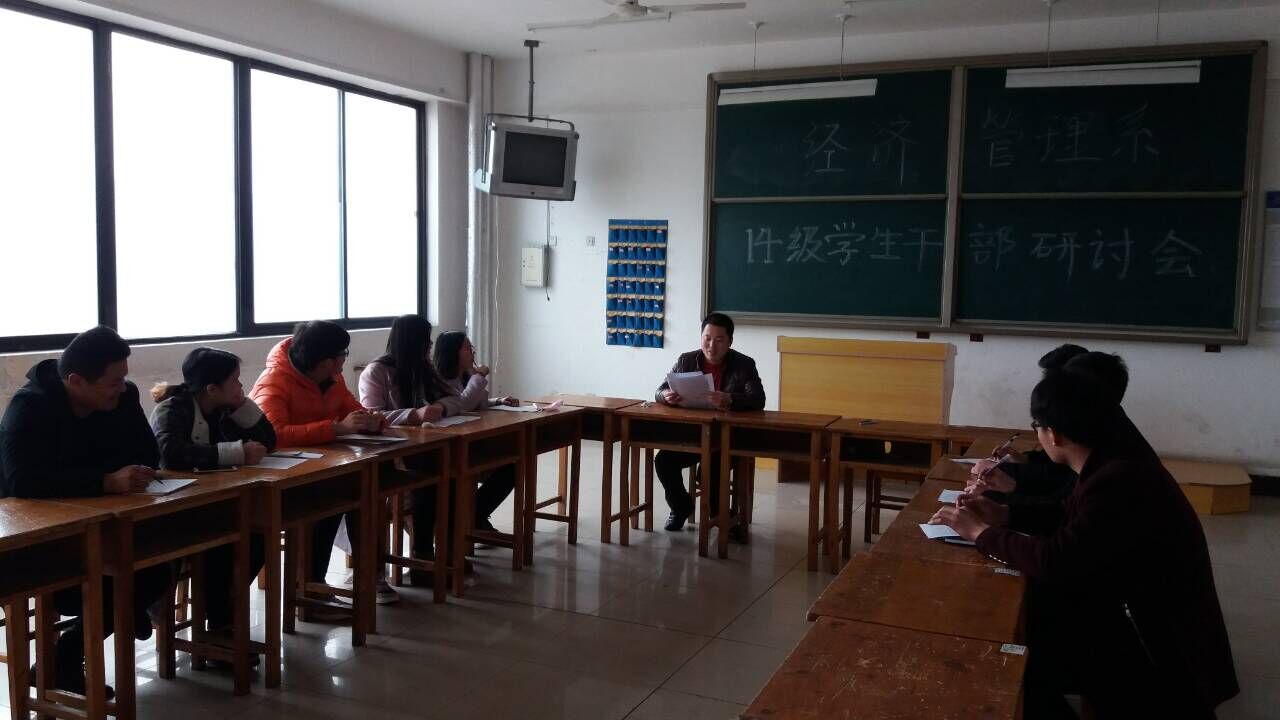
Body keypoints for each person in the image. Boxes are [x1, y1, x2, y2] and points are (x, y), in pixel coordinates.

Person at [930, 366, 1238, 717]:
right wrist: (1005, 515)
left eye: (1037, 427)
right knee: (1030, 629)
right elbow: (1070, 513)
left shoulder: (1118, 477)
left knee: (1015, 656)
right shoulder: (1110, 460)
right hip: (1132, 610)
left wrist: (980, 533)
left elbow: (1055, 559)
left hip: (1161, 640)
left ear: (1053, 434)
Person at [0, 326, 172, 698]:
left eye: (124, 378)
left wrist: (115, 476)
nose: (123, 388)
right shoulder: (29, 407)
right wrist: (104, 480)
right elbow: (22, 481)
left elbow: (147, 454)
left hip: (105, 521)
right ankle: (106, 627)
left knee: (159, 560)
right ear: (76, 381)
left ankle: (75, 647)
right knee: (119, 580)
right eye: (113, 382)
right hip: (42, 533)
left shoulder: (123, 398)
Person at [249, 320, 398, 608]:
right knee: (333, 501)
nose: (343, 363)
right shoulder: (275, 381)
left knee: (366, 490)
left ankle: (368, 573)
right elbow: (272, 434)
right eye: (342, 355)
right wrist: (335, 429)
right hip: (283, 477)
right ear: (325, 360)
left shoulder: (332, 379)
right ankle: (311, 587)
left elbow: (352, 409)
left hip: (322, 467)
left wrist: (371, 421)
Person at [150, 347, 274, 655]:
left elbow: (269, 441)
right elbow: (171, 454)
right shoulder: (173, 409)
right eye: (235, 381)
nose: (241, 386)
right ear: (212, 388)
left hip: (215, 503)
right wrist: (236, 452)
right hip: (175, 510)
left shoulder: (225, 409)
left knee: (256, 536)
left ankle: (220, 617)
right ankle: (218, 622)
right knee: (221, 544)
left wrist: (243, 404)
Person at [358, 315, 458, 585]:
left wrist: (441, 407)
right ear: (413, 342)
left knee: (450, 476)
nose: (429, 347)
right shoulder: (376, 372)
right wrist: (414, 414)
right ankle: (422, 555)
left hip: (421, 445)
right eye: (426, 342)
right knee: (428, 480)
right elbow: (371, 415)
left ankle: (446, 552)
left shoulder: (423, 368)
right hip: (391, 452)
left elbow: (454, 396)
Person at [652, 312, 765, 538]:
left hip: (728, 438)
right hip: (694, 434)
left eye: (719, 340)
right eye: (707, 338)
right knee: (663, 460)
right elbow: (659, 390)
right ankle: (681, 506)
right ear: (701, 337)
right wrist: (665, 396)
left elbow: (758, 399)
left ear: (730, 341)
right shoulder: (686, 360)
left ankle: (722, 516)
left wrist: (730, 399)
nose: (712, 345)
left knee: (710, 470)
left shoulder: (744, 364)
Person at [431, 331, 518, 536]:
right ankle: (470, 519)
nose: (472, 351)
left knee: (511, 467)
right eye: (467, 347)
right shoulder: (438, 378)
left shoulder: (466, 374)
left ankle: (475, 514)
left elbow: (476, 403)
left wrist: (498, 401)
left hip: (473, 439)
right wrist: (479, 376)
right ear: (452, 351)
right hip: (451, 445)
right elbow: (462, 405)